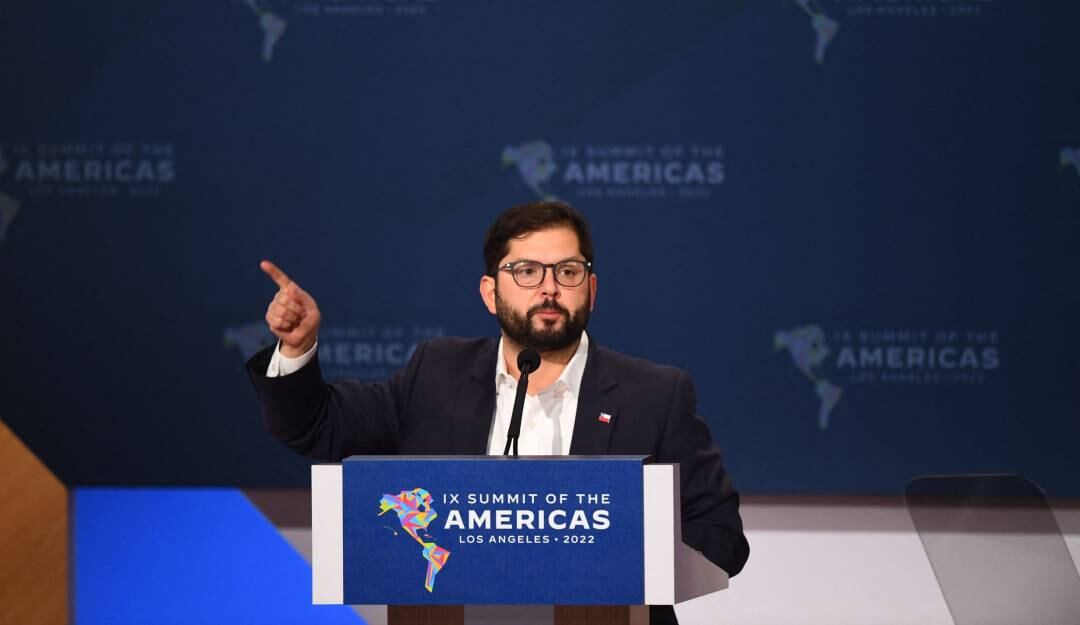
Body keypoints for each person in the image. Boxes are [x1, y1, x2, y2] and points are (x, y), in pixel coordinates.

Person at [247, 200, 749, 621]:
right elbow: (315, 427)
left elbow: (720, 536)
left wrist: (619, 556)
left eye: (568, 272)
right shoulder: (436, 374)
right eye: (526, 271)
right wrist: (297, 348)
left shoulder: (654, 395)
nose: (549, 288)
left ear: (591, 291)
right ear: (491, 293)